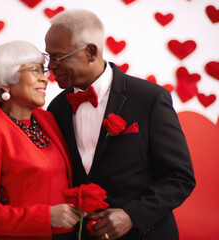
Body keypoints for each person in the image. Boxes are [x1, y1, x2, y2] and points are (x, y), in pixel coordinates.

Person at [45, 9, 196, 240]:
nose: (51, 66)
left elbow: (180, 177)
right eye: (48, 57)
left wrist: (131, 216)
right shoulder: (56, 108)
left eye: (59, 57)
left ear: (91, 52)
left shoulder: (150, 98)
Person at [0, 40, 83, 240]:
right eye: (35, 71)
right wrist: (45, 217)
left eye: (44, 71)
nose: (45, 79)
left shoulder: (49, 120)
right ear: (6, 80)